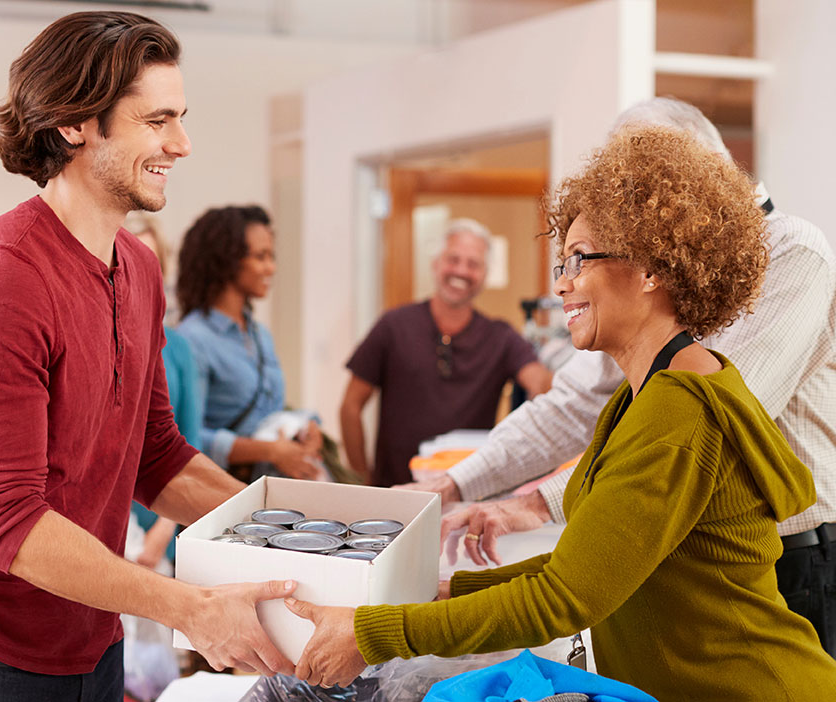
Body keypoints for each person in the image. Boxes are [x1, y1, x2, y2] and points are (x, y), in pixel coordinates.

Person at [284, 126, 836, 698]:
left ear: (653, 269)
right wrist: (442, 593)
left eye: (579, 260)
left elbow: (563, 599)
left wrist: (375, 633)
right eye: (561, 265)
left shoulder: (678, 411)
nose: (563, 286)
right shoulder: (644, 393)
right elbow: (576, 569)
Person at [0, 13, 294, 702]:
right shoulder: (0, 278)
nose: (182, 143)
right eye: (157, 120)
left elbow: (156, 456)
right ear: (77, 123)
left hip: (91, 644)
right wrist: (188, 608)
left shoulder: (137, 267)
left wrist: (293, 527)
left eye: (181, 118)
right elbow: (6, 521)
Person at [411, 98, 836, 656]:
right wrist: (454, 485)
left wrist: (540, 503)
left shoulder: (792, 250)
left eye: (643, 191)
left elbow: (703, 426)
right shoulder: (639, 292)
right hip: (687, 552)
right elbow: (574, 403)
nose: (566, 283)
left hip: (794, 554)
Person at [341, 219, 552, 487]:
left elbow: (540, 384)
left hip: (469, 495)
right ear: (436, 263)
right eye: (453, 259)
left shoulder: (501, 337)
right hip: (395, 493)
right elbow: (350, 406)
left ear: (485, 275)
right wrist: (361, 481)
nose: (461, 271)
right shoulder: (393, 326)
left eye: (473, 264)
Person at [176, 205, 324, 482]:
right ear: (226, 260)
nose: (272, 267)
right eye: (261, 256)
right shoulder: (192, 339)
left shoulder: (260, 334)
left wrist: (305, 431)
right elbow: (185, 436)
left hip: (273, 485)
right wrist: (269, 451)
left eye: (272, 256)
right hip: (226, 490)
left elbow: (269, 414)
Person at [125, 211, 200, 571]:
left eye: (149, 262)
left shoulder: (179, 348)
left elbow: (186, 446)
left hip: (159, 525)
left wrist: (161, 534)